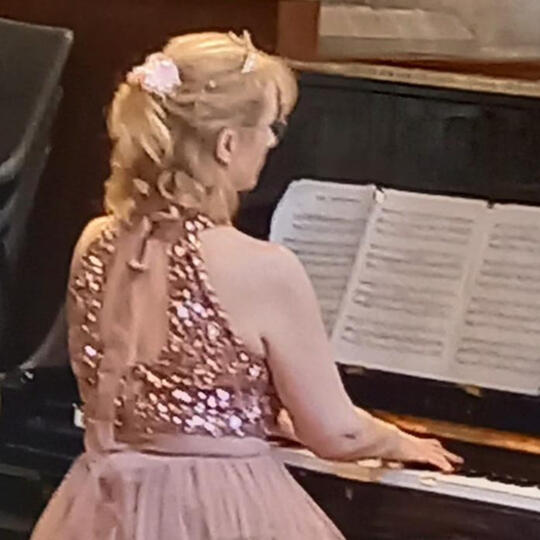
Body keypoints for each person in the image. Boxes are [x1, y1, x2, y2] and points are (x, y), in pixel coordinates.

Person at [30, 31, 461, 540]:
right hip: (217, 509)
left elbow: (161, 393)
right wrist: (396, 440)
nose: (273, 141)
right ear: (227, 144)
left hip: (103, 503)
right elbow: (336, 433)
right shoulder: (263, 267)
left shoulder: (94, 241)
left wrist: (261, 414)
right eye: (269, 126)